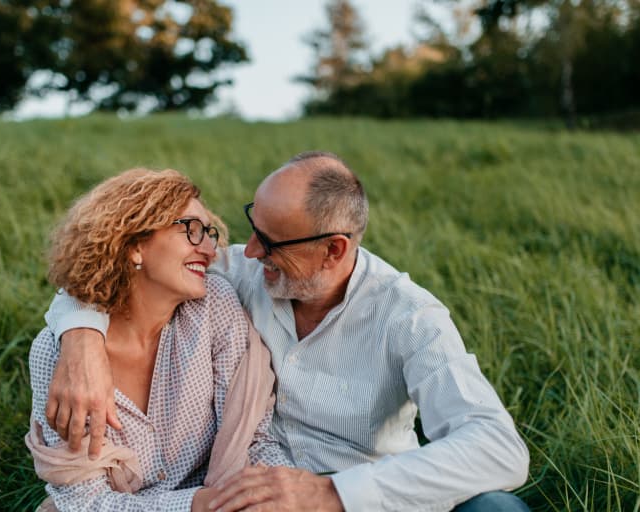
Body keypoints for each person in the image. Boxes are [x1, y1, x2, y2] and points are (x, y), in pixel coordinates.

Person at [44, 153, 531, 511]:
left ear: (334, 251)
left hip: (361, 497)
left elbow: (498, 447)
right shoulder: (236, 275)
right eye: (252, 226)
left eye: (272, 242)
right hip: (252, 488)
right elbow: (114, 271)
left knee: (498, 511)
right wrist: (81, 336)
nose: (248, 252)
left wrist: (331, 494)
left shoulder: (409, 317)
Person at [26, 168, 290, 512]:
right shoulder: (56, 353)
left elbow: (254, 439)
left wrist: (274, 491)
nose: (211, 250)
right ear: (135, 245)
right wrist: (198, 505)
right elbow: (84, 501)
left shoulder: (214, 307)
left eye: (209, 233)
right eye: (192, 231)